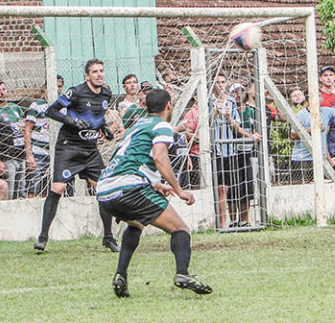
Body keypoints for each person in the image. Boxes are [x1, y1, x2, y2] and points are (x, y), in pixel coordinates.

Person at [96, 89, 212, 297]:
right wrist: (179, 190)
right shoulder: (162, 126)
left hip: (105, 190)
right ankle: (182, 274)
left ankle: (120, 275)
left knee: (136, 223)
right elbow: (159, 157)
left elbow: (132, 160)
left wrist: (157, 184)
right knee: (180, 229)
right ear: (168, 106)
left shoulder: (137, 126)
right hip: (129, 188)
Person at [35, 58, 118, 252]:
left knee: (103, 191)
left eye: (101, 71)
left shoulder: (106, 93)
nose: (99, 74)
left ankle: (108, 237)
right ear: (87, 76)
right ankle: (43, 237)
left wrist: (104, 129)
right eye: (95, 72)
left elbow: (97, 118)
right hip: (69, 147)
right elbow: (51, 110)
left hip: (90, 150)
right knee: (58, 188)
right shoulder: (77, 92)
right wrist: (72, 121)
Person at [211, 74, 260, 228]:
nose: (220, 85)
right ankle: (224, 224)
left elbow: (236, 126)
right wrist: (216, 112)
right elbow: (205, 123)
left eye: (222, 81)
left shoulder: (233, 103)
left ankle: (241, 221)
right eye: (217, 82)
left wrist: (229, 118)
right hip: (216, 151)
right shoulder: (208, 101)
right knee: (222, 190)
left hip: (232, 151)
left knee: (240, 187)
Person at [289, 84, 335, 184]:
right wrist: (311, 130)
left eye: (319, 96)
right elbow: (293, 135)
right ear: (308, 98)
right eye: (314, 96)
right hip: (303, 158)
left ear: (322, 99)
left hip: (321, 157)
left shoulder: (326, 111)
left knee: (324, 187)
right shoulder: (301, 115)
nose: (317, 98)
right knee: (305, 189)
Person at [0, 79, 26, 200]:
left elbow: (23, 128)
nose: (2, 93)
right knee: (9, 193)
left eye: (3, 89)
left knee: (22, 193)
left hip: (20, 156)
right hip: (6, 158)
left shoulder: (15, 108)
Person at [230, 83, 262, 226]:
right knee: (233, 188)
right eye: (234, 92)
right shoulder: (229, 111)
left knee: (247, 188)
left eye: (240, 92)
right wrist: (250, 135)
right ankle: (232, 220)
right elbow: (235, 129)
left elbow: (257, 129)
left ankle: (244, 220)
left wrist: (254, 137)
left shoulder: (251, 111)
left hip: (248, 153)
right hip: (232, 154)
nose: (238, 95)